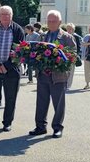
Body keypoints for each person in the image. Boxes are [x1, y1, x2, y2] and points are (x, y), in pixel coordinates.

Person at [29, 10, 76, 138]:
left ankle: (57, 127)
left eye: (54, 21)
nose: (51, 23)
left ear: (60, 22)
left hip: (58, 76)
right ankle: (40, 127)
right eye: (49, 21)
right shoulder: (42, 36)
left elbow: (73, 56)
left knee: (58, 103)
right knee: (41, 102)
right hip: (43, 75)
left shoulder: (67, 37)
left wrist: (61, 62)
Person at [0, 5, 25, 132]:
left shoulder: (18, 30)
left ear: (11, 16)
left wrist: (6, 65)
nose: (5, 17)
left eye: (7, 14)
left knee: (10, 98)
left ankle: (7, 122)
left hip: (11, 69)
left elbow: (20, 50)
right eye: (3, 14)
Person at [66, 23, 83, 89]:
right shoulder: (64, 36)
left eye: (71, 29)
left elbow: (79, 47)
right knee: (65, 71)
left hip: (73, 55)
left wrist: (76, 55)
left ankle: (68, 85)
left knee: (71, 71)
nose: (69, 30)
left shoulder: (76, 37)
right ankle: (64, 84)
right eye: (68, 29)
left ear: (73, 29)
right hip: (65, 55)